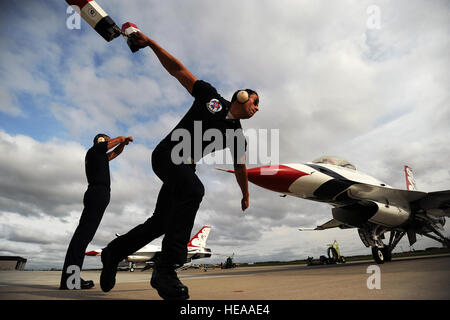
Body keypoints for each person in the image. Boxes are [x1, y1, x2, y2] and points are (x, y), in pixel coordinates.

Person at [100, 30, 260, 300]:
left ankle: (113, 252)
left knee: (160, 222)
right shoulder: (211, 98)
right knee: (194, 191)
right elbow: (178, 70)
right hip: (167, 154)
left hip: (185, 168)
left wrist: (245, 194)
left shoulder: (238, 137)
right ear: (242, 97)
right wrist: (150, 43)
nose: (257, 108)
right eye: (256, 102)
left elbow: (241, 168)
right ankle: (166, 267)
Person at [60, 134, 133, 290]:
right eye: (106, 140)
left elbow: (115, 153)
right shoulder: (94, 150)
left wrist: (123, 145)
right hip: (97, 193)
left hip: (99, 194)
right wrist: (120, 139)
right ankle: (70, 280)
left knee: (83, 237)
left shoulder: (99, 157)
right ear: (100, 141)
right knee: (82, 237)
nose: (108, 142)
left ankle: (70, 279)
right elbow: (110, 145)